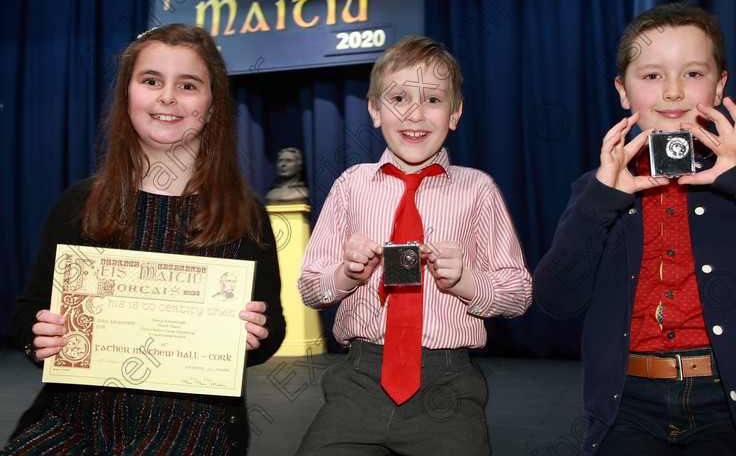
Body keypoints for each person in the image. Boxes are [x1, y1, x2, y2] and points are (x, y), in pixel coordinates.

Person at [533, 3, 736, 455]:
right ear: (622, 91)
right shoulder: (594, 191)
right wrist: (600, 202)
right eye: (652, 76)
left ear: (720, 86)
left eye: (693, 73)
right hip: (629, 412)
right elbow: (556, 300)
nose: (673, 92)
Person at [3, 24, 285, 456]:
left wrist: (255, 334)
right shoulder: (77, 205)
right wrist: (39, 337)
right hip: (73, 415)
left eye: (187, 85)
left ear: (212, 105)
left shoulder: (244, 216)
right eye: (151, 80)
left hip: (194, 420)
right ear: (128, 95)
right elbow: (29, 312)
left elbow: (273, 332)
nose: (167, 97)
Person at [296, 35, 533, 455]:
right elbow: (311, 288)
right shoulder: (351, 186)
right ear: (373, 109)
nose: (415, 114)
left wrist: (465, 281)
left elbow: (519, 294)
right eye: (399, 97)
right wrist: (346, 273)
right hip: (358, 381)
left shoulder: (478, 189)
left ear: (455, 113)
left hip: (448, 387)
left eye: (434, 100)